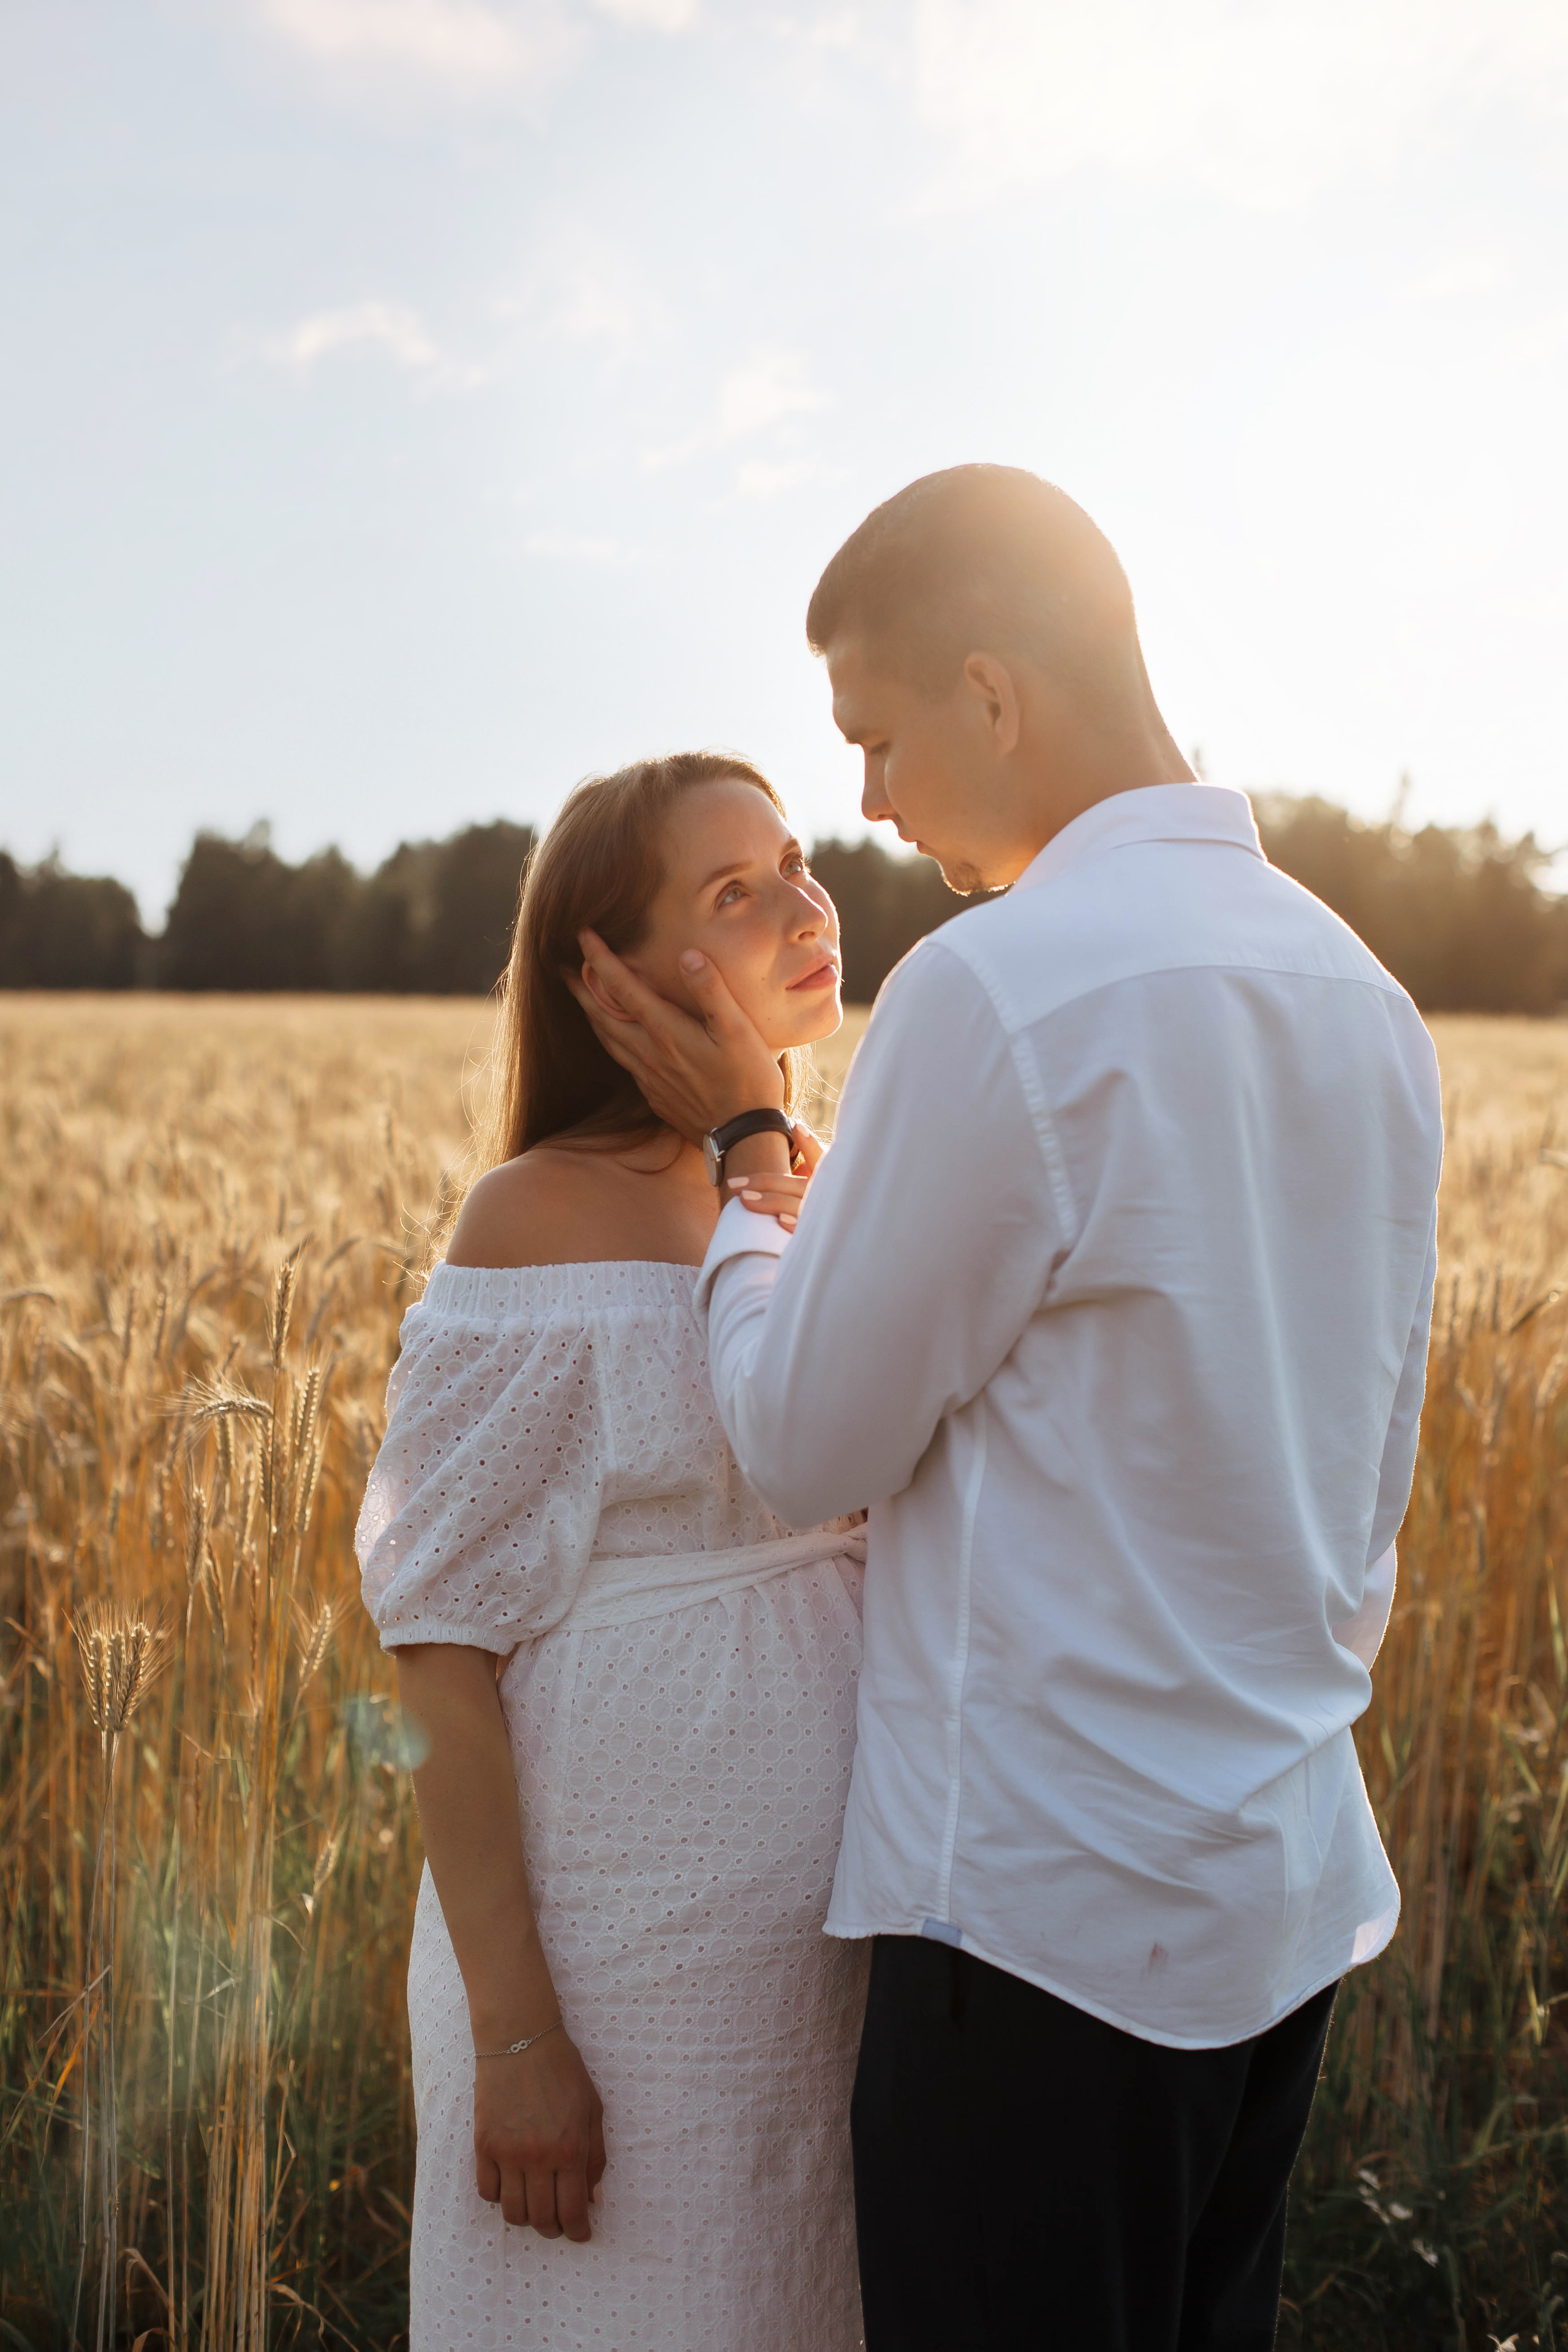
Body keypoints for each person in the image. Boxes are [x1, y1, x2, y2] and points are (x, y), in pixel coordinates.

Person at [571, 466, 1445, 2350]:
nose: (869, 803)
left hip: (1040, 1941)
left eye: (877, 738)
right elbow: (1366, 1477)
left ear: (995, 696)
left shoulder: (1001, 990)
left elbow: (803, 1441)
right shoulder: (1368, 1001)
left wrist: (749, 1160)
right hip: (1277, 1907)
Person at [355, 752, 869, 2351]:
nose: (805, 902)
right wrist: (516, 2038)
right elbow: (437, 1646)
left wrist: (760, 1150)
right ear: (608, 978)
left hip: (833, 1961)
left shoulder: (818, 1193)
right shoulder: (534, 1219)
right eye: (734, 893)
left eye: (794, 860)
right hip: (618, 1961)